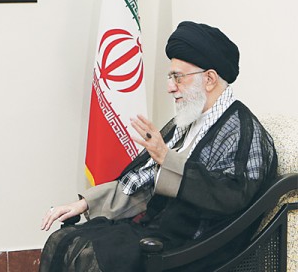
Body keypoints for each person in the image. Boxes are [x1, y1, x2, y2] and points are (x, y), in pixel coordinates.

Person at [39, 21, 278, 272]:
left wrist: (167, 159)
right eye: (170, 76)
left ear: (209, 79)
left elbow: (232, 195)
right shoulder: (187, 121)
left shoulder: (241, 129)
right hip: (159, 230)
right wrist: (85, 204)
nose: (170, 87)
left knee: (97, 257)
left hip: (197, 248)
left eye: (178, 77)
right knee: (64, 241)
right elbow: (146, 181)